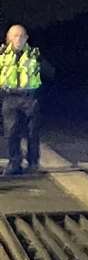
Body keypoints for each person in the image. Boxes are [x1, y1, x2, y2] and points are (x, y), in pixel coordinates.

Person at [0, 24, 54, 175]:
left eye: (21, 36)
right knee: (11, 133)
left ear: (26, 38)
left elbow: (49, 73)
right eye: (15, 36)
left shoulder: (34, 55)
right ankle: (14, 163)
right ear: (8, 38)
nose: (18, 39)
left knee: (32, 133)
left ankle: (32, 163)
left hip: (30, 98)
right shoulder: (2, 54)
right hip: (9, 97)